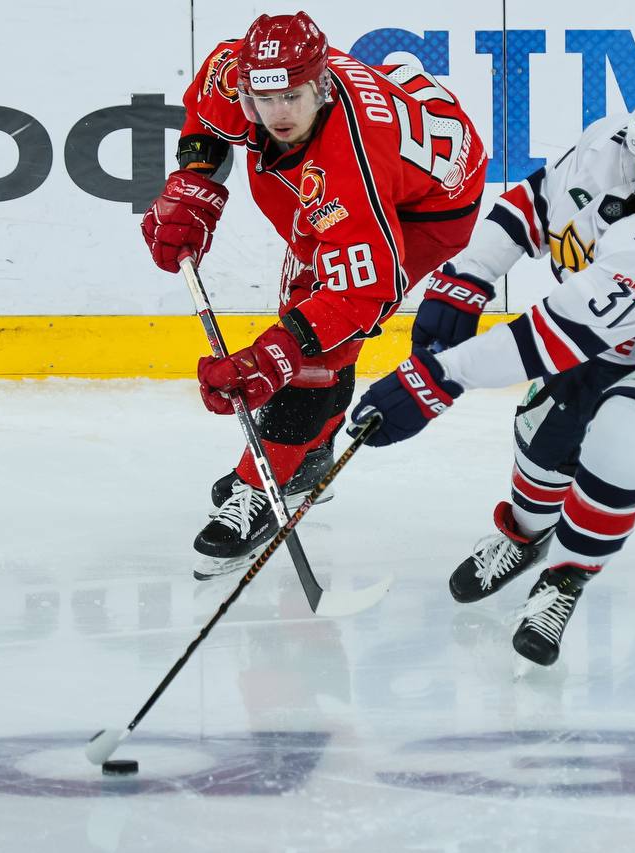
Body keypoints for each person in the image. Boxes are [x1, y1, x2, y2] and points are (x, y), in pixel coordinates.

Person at [351, 73, 635, 666]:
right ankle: (524, 537)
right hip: (633, 329)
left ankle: (565, 579)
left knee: (624, 430)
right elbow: (534, 202)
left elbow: (551, 336)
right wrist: (469, 277)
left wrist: (433, 381)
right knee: (543, 428)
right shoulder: (614, 143)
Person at [141, 11, 486, 575]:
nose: (276, 114)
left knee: (317, 348)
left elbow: (361, 294)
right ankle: (309, 455)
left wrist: (274, 354)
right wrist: (194, 179)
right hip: (364, 172)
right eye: (263, 97)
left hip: (422, 208)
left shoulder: (350, 166)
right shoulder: (244, 70)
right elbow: (208, 105)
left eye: (293, 98)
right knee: (303, 326)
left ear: (322, 85)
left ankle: (262, 485)